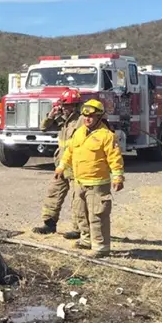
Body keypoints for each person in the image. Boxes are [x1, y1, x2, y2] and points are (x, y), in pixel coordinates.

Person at [55, 99, 125, 257]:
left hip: (97, 184)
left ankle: (101, 247)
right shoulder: (79, 132)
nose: (87, 119)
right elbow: (69, 151)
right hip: (79, 182)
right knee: (81, 214)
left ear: (99, 117)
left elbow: (115, 158)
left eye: (91, 116)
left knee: (97, 216)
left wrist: (118, 177)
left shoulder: (107, 136)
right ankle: (86, 240)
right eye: (85, 116)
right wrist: (61, 166)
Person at [33, 88, 84, 239]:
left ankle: (78, 229)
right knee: (54, 193)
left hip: (76, 165)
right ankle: (49, 224)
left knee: (78, 198)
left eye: (68, 105)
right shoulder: (62, 120)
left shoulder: (81, 120)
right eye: (63, 105)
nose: (64, 108)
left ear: (76, 106)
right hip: (61, 164)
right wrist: (51, 115)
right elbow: (43, 127)